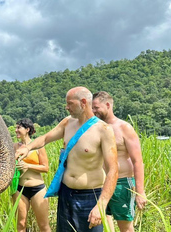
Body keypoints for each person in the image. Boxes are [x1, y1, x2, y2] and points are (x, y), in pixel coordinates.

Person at [16, 86, 118, 232]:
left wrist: (101, 205)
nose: (66, 107)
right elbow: (45, 138)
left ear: (83, 102)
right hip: (66, 194)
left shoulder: (104, 130)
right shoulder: (67, 123)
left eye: (70, 103)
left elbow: (113, 170)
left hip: (90, 196)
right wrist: (27, 148)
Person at [92, 91, 147, 232]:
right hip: (99, 183)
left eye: (96, 107)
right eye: (92, 108)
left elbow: (137, 161)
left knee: (125, 227)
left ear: (108, 105)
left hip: (121, 183)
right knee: (100, 222)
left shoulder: (123, 128)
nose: (93, 111)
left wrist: (140, 192)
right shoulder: (95, 128)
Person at [12, 118, 51, 232]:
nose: (16, 130)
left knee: (43, 225)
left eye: (19, 127)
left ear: (27, 129)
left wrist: (27, 166)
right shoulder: (14, 147)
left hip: (37, 189)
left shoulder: (38, 147)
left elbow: (45, 168)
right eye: (16, 127)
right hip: (19, 189)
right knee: (20, 224)